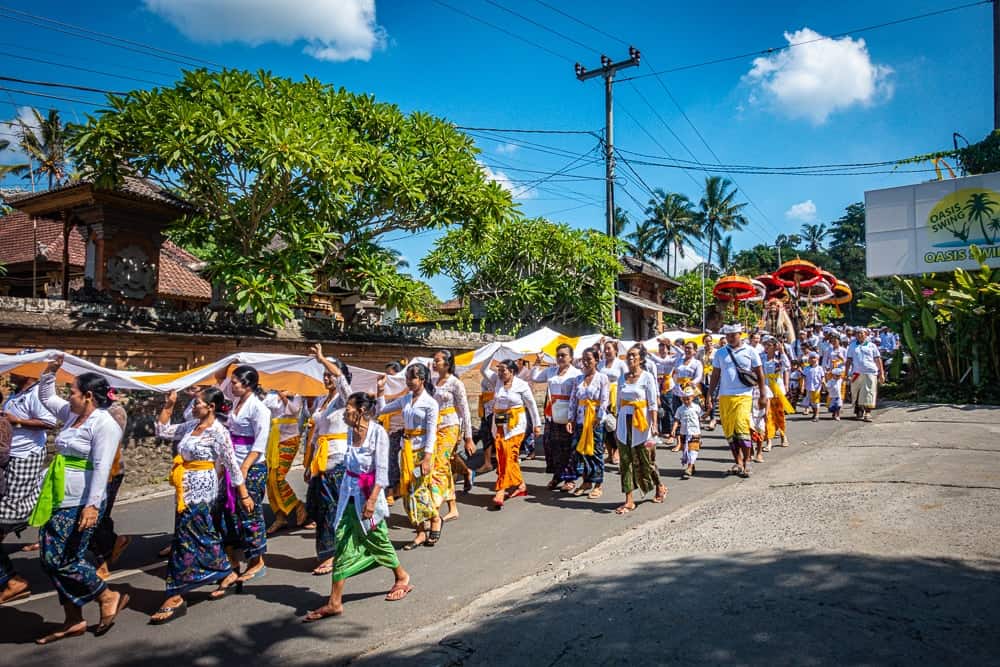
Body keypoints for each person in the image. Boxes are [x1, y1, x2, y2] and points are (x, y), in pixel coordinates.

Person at [30, 355, 129, 644]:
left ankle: (106, 595)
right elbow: (46, 396)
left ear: (88, 396)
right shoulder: (72, 415)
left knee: (61, 558)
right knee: (51, 557)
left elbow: (102, 467)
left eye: (72, 392)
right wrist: (50, 371)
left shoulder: (104, 424)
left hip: (80, 499)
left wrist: (92, 505)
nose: (68, 396)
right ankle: (73, 619)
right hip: (57, 496)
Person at [303, 392, 412, 622]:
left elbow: (382, 474)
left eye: (349, 408)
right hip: (348, 494)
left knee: (377, 538)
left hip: (368, 496)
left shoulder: (378, 434)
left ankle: (401, 576)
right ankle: (334, 601)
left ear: (361, 411)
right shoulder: (349, 433)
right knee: (342, 539)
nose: (345, 412)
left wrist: (371, 502)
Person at [149, 387, 251, 624]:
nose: (193, 407)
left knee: (184, 540)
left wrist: (243, 495)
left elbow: (232, 465)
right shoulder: (189, 427)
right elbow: (162, 430)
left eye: (197, 404)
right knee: (200, 534)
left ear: (211, 407)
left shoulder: (218, 432)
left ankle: (175, 594)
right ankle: (226, 569)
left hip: (202, 489)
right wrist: (168, 405)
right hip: (184, 488)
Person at [0, 362, 57, 605]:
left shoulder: (35, 395)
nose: (10, 373)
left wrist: (17, 421)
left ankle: (12, 580)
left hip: (26, 456)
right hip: (12, 456)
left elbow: (49, 422)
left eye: (16, 369)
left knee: (13, 510)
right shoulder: (16, 394)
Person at [376, 364, 441, 548]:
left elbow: (431, 432)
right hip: (407, 450)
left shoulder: (431, 403)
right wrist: (381, 391)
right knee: (407, 492)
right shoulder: (405, 399)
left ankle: (435, 518)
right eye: (407, 379)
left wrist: (427, 457)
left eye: (412, 378)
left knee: (419, 489)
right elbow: (383, 410)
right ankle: (420, 531)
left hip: (422, 450)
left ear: (422, 379)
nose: (409, 382)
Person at [216, 364, 271, 583]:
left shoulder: (259, 409)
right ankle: (233, 557)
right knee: (228, 511)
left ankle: (257, 561)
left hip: (251, 466)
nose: (232, 386)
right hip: (233, 463)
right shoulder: (236, 404)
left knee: (250, 512)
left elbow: (259, 443)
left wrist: (245, 469)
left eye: (236, 382)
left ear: (247, 384)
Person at [705, 324, 768, 479]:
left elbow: (760, 374)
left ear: (740, 334)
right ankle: (738, 462)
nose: (731, 338)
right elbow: (715, 375)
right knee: (730, 432)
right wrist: (709, 395)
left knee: (742, 428)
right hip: (725, 397)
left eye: (734, 335)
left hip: (744, 395)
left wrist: (763, 395)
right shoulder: (720, 353)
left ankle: (747, 462)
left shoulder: (751, 351)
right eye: (728, 335)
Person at [303, 379, 350, 577]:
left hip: (338, 457)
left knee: (333, 508)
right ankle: (327, 550)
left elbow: (345, 388)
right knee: (319, 508)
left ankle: (334, 553)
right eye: (324, 375)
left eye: (330, 375)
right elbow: (316, 434)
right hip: (320, 458)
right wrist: (308, 463)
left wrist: (324, 360)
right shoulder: (323, 399)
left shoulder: (342, 399)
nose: (326, 378)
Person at [615, 344, 666, 514]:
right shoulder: (622, 378)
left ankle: (659, 485)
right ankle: (629, 499)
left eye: (634, 356)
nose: (630, 358)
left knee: (645, 459)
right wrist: (617, 421)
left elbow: (652, 404)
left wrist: (654, 424)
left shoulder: (647, 378)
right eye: (628, 355)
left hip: (641, 422)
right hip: (624, 422)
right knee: (625, 461)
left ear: (641, 359)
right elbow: (618, 402)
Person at [488, 359, 542, 509]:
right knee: (502, 455)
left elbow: (531, 405)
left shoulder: (521, 385)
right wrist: (493, 351)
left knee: (509, 454)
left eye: (503, 370)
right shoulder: (497, 381)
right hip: (499, 422)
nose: (500, 373)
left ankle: (501, 489)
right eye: (499, 370)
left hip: (516, 425)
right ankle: (520, 485)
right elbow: (483, 370)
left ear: (511, 371)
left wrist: (537, 424)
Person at [431, 349, 476, 522]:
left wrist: (468, 437)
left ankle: (434, 505)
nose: (434, 363)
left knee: (439, 464)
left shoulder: (455, 383)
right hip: (435, 426)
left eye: (437, 361)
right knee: (445, 464)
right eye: (434, 361)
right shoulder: (433, 382)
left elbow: (465, 410)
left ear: (447, 364)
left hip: (451, 426)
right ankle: (452, 507)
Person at [531, 344, 582, 492]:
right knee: (553, 446)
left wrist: (573, 418)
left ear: (571, 357)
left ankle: (570, 478)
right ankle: (557, 476)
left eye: (563, 355)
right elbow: (534, 377)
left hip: (569, 412)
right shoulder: (551, 371)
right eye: (558, 355)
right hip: (553, 412)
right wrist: (538, 362)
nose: (560, 358)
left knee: (569, 447)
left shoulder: (576, 373)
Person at [91, 402, 131, 579]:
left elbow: (113, 439)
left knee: (95, 517)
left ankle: (104, 559)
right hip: (92, 472)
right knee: (97, 517)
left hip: (110, 472)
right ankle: (113, 543)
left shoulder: (114, 411)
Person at [566, 348, 609, 499]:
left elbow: (604, 400)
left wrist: (599, 417)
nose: (586, 362)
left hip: (594, 421)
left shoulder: (602, 378)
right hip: (579, 419)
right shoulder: (578, 379)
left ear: (596, 360)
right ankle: (586, 482)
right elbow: (573, 399)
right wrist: (570, 419)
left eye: (589, 359)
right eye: (584, 359)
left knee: (595, 451)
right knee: (581, 451)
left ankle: (598, 484)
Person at [263, 389, 308, 534]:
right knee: (270, 479)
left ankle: (298, 505)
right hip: (274, 440)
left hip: (289, 440)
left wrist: (284, 396)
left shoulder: (297, 394)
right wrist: (277, 394)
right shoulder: (271, 394)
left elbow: (294, 410)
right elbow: (265, 405)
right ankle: (279, 516)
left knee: (278, 477)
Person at [669, 342, 704, 452]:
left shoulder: (697, 363)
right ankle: (679, 442)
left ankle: (695, 438)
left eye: (690, 348)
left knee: (693, 416)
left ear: (695, 351)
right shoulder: (679, 360)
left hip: (690, 392)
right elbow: (674, 373)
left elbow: (699, 376)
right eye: (686, 348)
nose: (687, 350)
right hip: (678, 392)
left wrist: (691, 383)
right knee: (678, 416)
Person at [379, 361, 406, 504]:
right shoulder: (387, 391)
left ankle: (400, 486)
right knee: (391, 460)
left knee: (405, 461)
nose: (389, 379)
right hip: (391, 430)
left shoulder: (407, 390)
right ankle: (390, 489)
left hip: (407, 430)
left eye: (391, 375)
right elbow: (381, 408)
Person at [597, 339, 627, 465]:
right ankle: (609, 452)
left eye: (609, 348)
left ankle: (617, 452)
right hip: (603, 396)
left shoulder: (620, 364)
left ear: (615, 350)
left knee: (616, 427)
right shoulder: (601, 364)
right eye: (606, 349)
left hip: (616, 396)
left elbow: (626, 379)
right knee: (605, 426)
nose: (607, 351)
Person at [846, 329, 885, 422]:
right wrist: (846, 373)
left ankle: (868, 413)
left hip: (870, 372)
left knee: (868, 392)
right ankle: (859, 410)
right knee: (856, 392)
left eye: (861, 333)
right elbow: (848, 360)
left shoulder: (872, 346)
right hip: (856, 372)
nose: (859, 335)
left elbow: (878, 359)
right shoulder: (852, 346)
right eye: (857, 333)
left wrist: (881, 373)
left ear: (866, 335)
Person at [761, 337, 793, 449]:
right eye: (765, 344)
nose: (766, 347)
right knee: (768, 414)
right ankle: (769, 441)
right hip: (766, 387)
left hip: (777, 388)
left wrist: (782, 351)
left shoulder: (779, 358)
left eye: (769, 345)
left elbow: (788, 366)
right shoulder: (761, 357)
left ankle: (783, 436)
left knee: (779, 413)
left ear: (774, 347)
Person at [648, 338, 681, 446]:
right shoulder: (654, 359)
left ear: (668, 350)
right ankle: (659, 430)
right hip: (656, 385)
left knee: (669, 409)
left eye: (664, 349)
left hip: (668, 385)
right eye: (660, 349)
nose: (662, 351)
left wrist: (671, 344)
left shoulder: (671, 359)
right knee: (656, 409)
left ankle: (671, 432)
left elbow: (681, 353)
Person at [671, 385, 702, 479]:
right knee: (686, 451)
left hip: (695, 432)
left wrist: (709, 412)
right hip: (684, 433)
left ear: (692, 398)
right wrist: (673, 429)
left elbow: (701, 417)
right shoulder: (680, 409)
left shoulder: (696, 407)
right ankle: (691, 465)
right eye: (684, 399)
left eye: (688, 399)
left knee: (693, 450)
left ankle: (689, 468)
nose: (686, 401)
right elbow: (676, 420)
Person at [803, 352, 826, 422]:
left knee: (816, 401)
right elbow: (804, 378)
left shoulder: (819, 368)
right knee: (811, 401)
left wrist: (823, 384)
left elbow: (822, 377)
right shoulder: (806, 368)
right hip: (809, 387)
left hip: (817, 387)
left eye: (814, 358)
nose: (812, 359)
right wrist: (802, 386)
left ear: (817, 359)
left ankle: (817, 415)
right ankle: (814, 412)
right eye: (811, 358)